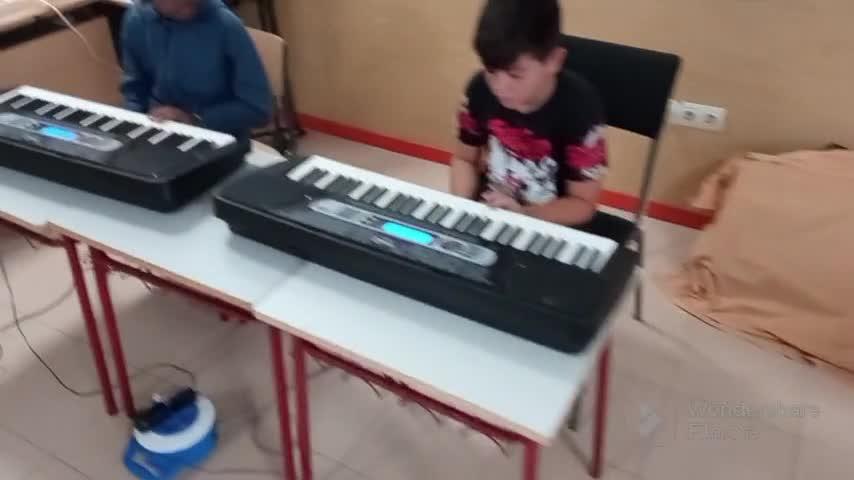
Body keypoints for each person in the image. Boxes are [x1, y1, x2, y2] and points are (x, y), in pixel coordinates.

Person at [451, 0, 608, 227]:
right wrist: (463, 208)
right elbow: (464, 159)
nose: (500, 88)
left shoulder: (580, 109)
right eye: (491, 71)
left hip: (551, 222)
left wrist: (524, 214)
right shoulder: (479, 88)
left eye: (515, 75)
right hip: (492, 207)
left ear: (554, 60)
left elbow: (583, 204)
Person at [119, 0, 273, 142]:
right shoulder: (137, 18)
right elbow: (134, 90)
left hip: (219, 138)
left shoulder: (225, 25)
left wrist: (195, 119)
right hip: (162, 131)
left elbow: (258, 109)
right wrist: (134, 125)